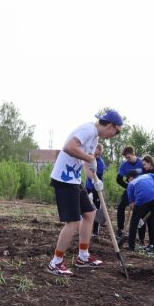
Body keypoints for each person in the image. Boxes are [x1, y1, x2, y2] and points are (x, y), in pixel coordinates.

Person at [47, 109, 123, 276]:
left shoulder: (95, 137)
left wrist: (94, 180)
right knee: (73, 222)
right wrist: (90, 159)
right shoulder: (88, 130)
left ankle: (83, 256)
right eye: (115, 132)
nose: (113, 136)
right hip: (63, 179)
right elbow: (68, 147)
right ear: (110, 126)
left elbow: (85, 162)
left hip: (74, 179)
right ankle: (55, 262)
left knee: (90, 213)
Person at [124, 169, 154, 255]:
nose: (128, 182)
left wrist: (137, 215)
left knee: (134, 223)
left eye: (128, 180)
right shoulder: (148, 175)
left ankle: (131, 246)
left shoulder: (131, 184)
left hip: (142, 199)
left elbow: (132, 204)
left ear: (130, 177)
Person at [115, 146, 143, 240]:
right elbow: (118, 180)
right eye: (126, 158)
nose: (127, 159)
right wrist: (128, 187)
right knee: (121, 207)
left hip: (141, 190)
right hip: (130, 189)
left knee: (139, 211)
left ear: (133, 154)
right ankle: (120, 229)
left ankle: (139, 236)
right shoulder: (124, 165)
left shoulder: (142, 162)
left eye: (128, 157)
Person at [85, 143, 105, 238]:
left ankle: (95, 231)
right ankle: (84, 229)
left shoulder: (100, 163)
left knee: (96, 209)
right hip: (87, 188)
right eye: (96, 154)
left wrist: (94, 192)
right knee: (85, 209)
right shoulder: (89, 160)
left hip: (96, 189)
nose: (97, 156)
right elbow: (85, 169)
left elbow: (97, 178)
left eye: (99, 154)